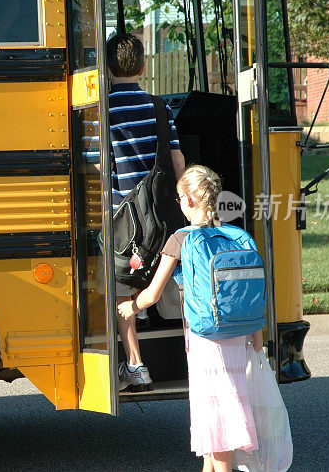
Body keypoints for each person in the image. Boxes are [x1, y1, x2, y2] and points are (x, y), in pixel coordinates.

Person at [118, 165, 263, 472]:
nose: (179, 203)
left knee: (219, 431)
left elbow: (152, 295)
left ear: (190, 201)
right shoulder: (238, 236)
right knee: (217, 423)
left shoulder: (180, 239)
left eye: (180, 197)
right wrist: (257, 342)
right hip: (239, 338)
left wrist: (131, 307)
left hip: (205, 342)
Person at [106, 33, 186, 392]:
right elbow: (176, 158)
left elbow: (95, 163)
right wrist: (184, 201)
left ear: (106, 69)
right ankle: (195, 353)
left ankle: (136, 366)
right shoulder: (158, 106)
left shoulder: (102, 107)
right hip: (160, 214)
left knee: (124, 289)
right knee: (176, 278)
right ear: (142, 67)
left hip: (122, 218)